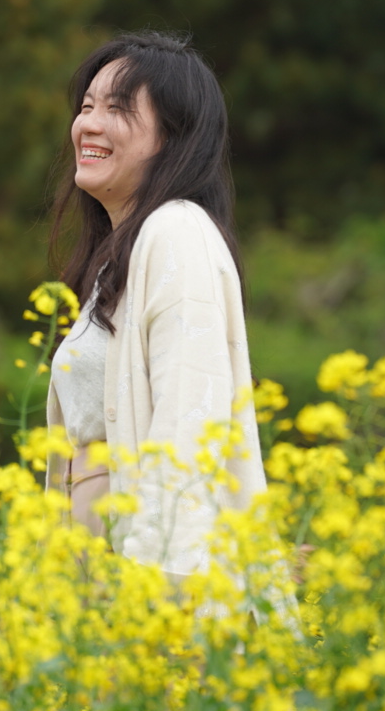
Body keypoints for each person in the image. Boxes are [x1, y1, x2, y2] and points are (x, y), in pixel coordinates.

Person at [45, 31, 264, 589]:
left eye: (118, 109)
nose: (89, 125)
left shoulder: (176, 232)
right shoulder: (118, 257)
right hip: (93, 563)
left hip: (141, 574)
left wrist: (154, 591)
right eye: (86, 107)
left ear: (174, 138)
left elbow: (188, 426)